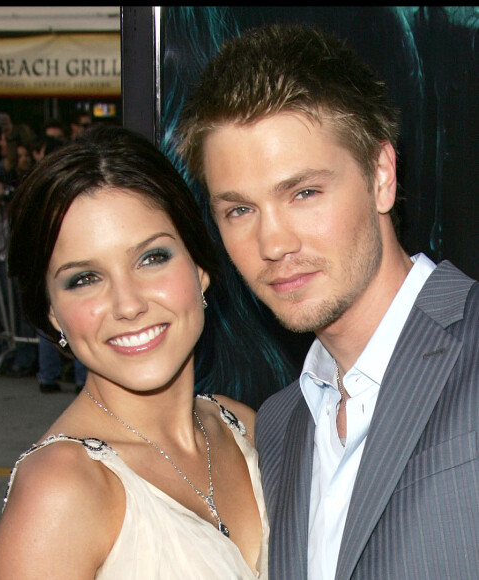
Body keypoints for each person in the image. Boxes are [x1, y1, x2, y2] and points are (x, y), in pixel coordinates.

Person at [177, 22, 479, 580]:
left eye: (304, 193)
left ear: (381, 174)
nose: (273, 244)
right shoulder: (278, 424)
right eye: (239, 210)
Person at [0, 125, 269, 578]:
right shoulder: (59, 490)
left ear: (199, 266)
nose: (128, 304)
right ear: (53, 314)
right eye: (84, 279)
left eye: (152, 258)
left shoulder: (245, 429)